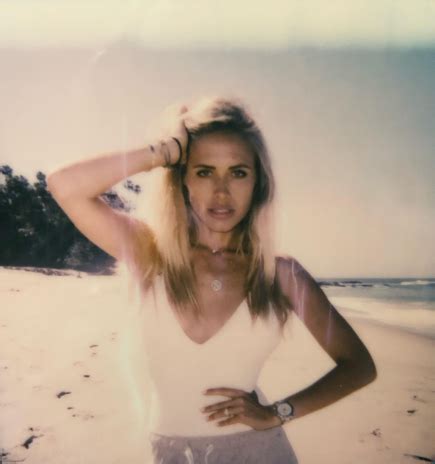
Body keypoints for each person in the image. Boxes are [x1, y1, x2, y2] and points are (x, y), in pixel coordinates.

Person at [47, 95, 377, 463]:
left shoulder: (280, 274)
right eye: (204, 172)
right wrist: (165, 151)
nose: (221, 192)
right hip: (171, 453)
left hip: (260, 453)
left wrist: (278, 412)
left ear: (258, 183)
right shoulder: (150, 254)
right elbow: (64, 185)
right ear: (182, 180)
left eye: (238, 172)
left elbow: (359, 365)